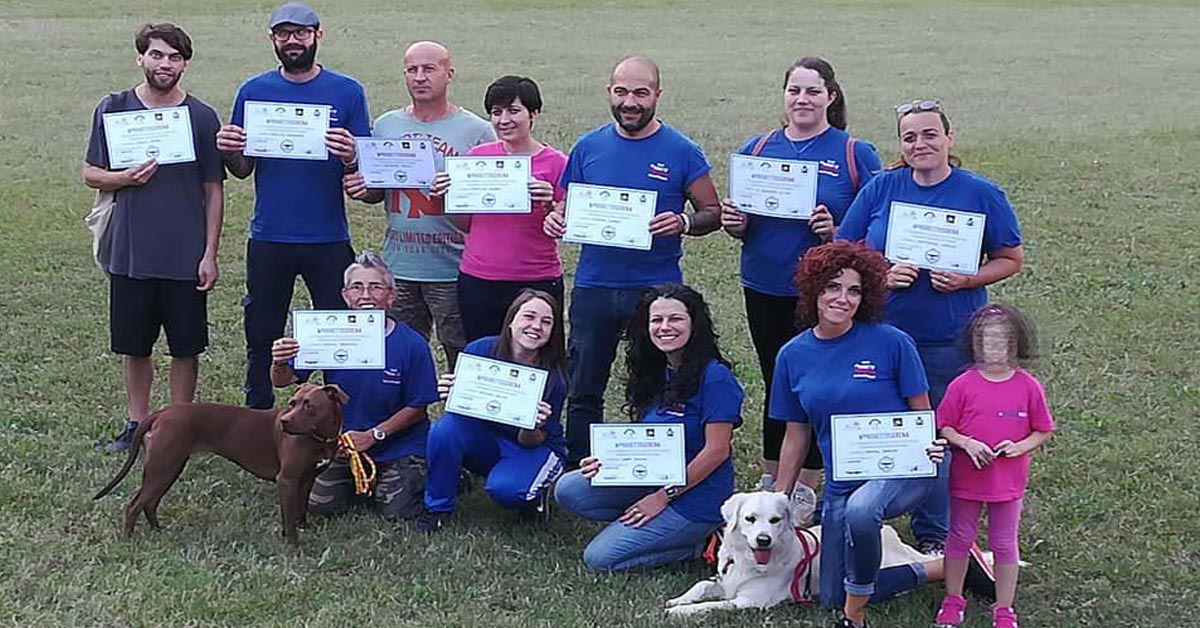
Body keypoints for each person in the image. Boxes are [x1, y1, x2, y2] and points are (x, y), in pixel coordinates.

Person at [836, 100, 1025, 553]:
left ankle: (936, 533)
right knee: (881, 423)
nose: (919, 144)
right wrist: (879, 271)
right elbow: (845, 245)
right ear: (900, 144)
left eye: (929, 135)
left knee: (941, 431)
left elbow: (1011, 258)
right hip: (882, 333)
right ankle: (862, 518)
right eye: (909, 137)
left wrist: (968, 279)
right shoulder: (883, 187)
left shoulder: (980, 193)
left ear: (948, 138)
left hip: (949, 336)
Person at [543, 55, 722, 467]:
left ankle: (652, 463)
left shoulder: (681, 151)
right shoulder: (588, 147)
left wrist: (683, 220)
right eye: (622, 92)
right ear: (609, 92)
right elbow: (566, 206)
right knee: (585, 382)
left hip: (654, 289)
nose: (630, 102)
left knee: (655, 380)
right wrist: (557, 218)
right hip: (595, 285)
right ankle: (578, 467)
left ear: (658, 95)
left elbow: (711, 211)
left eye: (641, 93)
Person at [720, 56, 882, 490]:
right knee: (778, 379)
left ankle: (810, 482)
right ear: (784, 95)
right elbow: (744, 221)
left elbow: (877, 222)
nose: (803, 99)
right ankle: (774, 477)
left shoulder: (853, 152)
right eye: (795, 90)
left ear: (831, 96)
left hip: (826, 292)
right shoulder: (757, 149)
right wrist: (736, 224)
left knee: (819, 383)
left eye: (813, 91)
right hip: (765, 285)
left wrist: (836, 230)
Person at [769, 241, 949, 628]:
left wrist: (930, 446)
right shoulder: (792, 356)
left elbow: (922, 411)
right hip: (843, 478)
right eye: (833, 287)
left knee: (863, 510)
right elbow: (796, 434)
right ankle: (943, 569)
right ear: (814, 290)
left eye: (854, 290)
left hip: (905, 467)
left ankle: (858, 613)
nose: (843, 299)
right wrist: (779, 499)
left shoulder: (892, 342)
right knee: (830, 594)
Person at [215, 1, 371, 410]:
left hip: (328, 235)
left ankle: (339, 412)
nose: (292, 41)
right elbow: (243, 168)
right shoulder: (254, 91)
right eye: (284, 33)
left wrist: (353, 155)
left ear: (318, 36)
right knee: (262, 329)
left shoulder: (347, 91)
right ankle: (257, 411)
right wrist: (230, 150)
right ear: (273, 40)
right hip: (269, 235)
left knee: (338, 328)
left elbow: (364, 169)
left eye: (301, 33)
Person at [84, 23, 225, 452]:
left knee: (185, 347)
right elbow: (91, 173)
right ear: (141, 57)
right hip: (130, 252)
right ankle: (137, 423)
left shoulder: (200, 117)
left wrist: (210, 254)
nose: (166, 65)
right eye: (157, 55)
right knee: (135, 345)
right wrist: (124, 177)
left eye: (175, 57)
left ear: (185, 63)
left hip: (184, 255)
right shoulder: (113, 108)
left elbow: (213, 189)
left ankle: (181, 426)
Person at [555, 284, 743, 571]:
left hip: (698, 497)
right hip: (654, 477)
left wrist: (661, 497)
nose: (665, 327)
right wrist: (608, 463)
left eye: (676, 319)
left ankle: (699, 542)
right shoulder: (656, 370)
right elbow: (646, 440)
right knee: (570, 487)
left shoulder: (715, 378)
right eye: (657, 320)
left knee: (600, 558)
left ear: (695, 323)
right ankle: (648, 526)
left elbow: (716, 451)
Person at [343, 41, 495, 367]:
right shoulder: (386, 126)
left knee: (462, 352)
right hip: (400, 265)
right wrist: (363, 186)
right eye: (412, 70)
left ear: (449, 74)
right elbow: (376, 190)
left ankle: (462, 418)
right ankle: (407, 418)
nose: (420, 77)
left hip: (453, 265)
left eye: (429, 68)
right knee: (398, 356)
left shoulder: (478, 132)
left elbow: (493, 194)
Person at [269, 251, 439, 521]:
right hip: (342, 443)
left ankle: (429, 472)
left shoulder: (412, 344)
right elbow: (283, 381)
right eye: (357, 287)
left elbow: (418, 407)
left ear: (392, 295)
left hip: (398, 443)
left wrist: (374, 435)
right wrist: (279, 362)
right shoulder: (327, 333)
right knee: (320, 506)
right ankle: (362, 481)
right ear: (345, 295)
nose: (366, 295)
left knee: (398, 512)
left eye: (376, 287)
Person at [934, 303, 1054, 628]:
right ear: (975, 344)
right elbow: (944, 426)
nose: (995, 349)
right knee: (959, 536)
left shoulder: (1028, 386)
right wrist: (967, 443)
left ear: (1017, 345)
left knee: (1004, 542)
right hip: (966, 477)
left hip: (1008, 482)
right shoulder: (962, 385)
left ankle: (1004, 607)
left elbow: (1042, 430)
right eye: (987, 341)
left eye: (1004, 342)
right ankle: (953, 597)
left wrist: (1018, 447)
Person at [426, 76, 568, 343]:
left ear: (533, 113)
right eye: (496, 112)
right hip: (479, 278)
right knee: (484, 353)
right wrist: (445, 198)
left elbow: (565, 227)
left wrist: (550, 204)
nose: (504, 120)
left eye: (514, 111)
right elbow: (466, 223)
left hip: (536, 279)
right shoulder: (478, 158)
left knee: (538, 357)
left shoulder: (557, 164)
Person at [417, 289, 568, 532]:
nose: (536, 326)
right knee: (444, 429)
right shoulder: (480, 351)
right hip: (487, 437)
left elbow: (532, 441)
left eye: (546, 322)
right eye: (529, 316)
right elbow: (462, 416)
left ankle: (534, 496)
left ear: (553, 331)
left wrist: (533, 425)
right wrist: (453, 394)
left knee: (506, 490)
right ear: (511, 321)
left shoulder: (554, 377)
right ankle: (437, 508)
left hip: (532, 447)